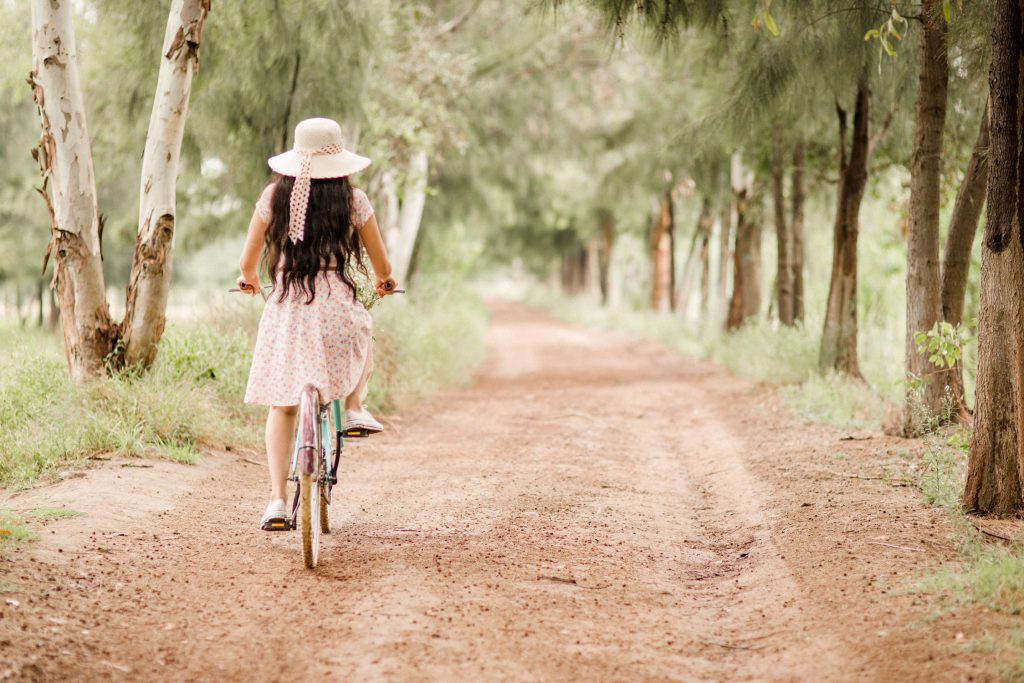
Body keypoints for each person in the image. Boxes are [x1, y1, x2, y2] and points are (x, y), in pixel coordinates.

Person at [236, 117, 398, 530]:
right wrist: (384, 282)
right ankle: (356, 407)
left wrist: (251, 282)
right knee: (362, 330)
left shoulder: (275, 197)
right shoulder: (354, 201)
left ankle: (275, 500)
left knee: (283, 404)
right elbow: (382, 266)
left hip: (289, 304)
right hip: (335, 308)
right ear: (340, 161)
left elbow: (247, 263)